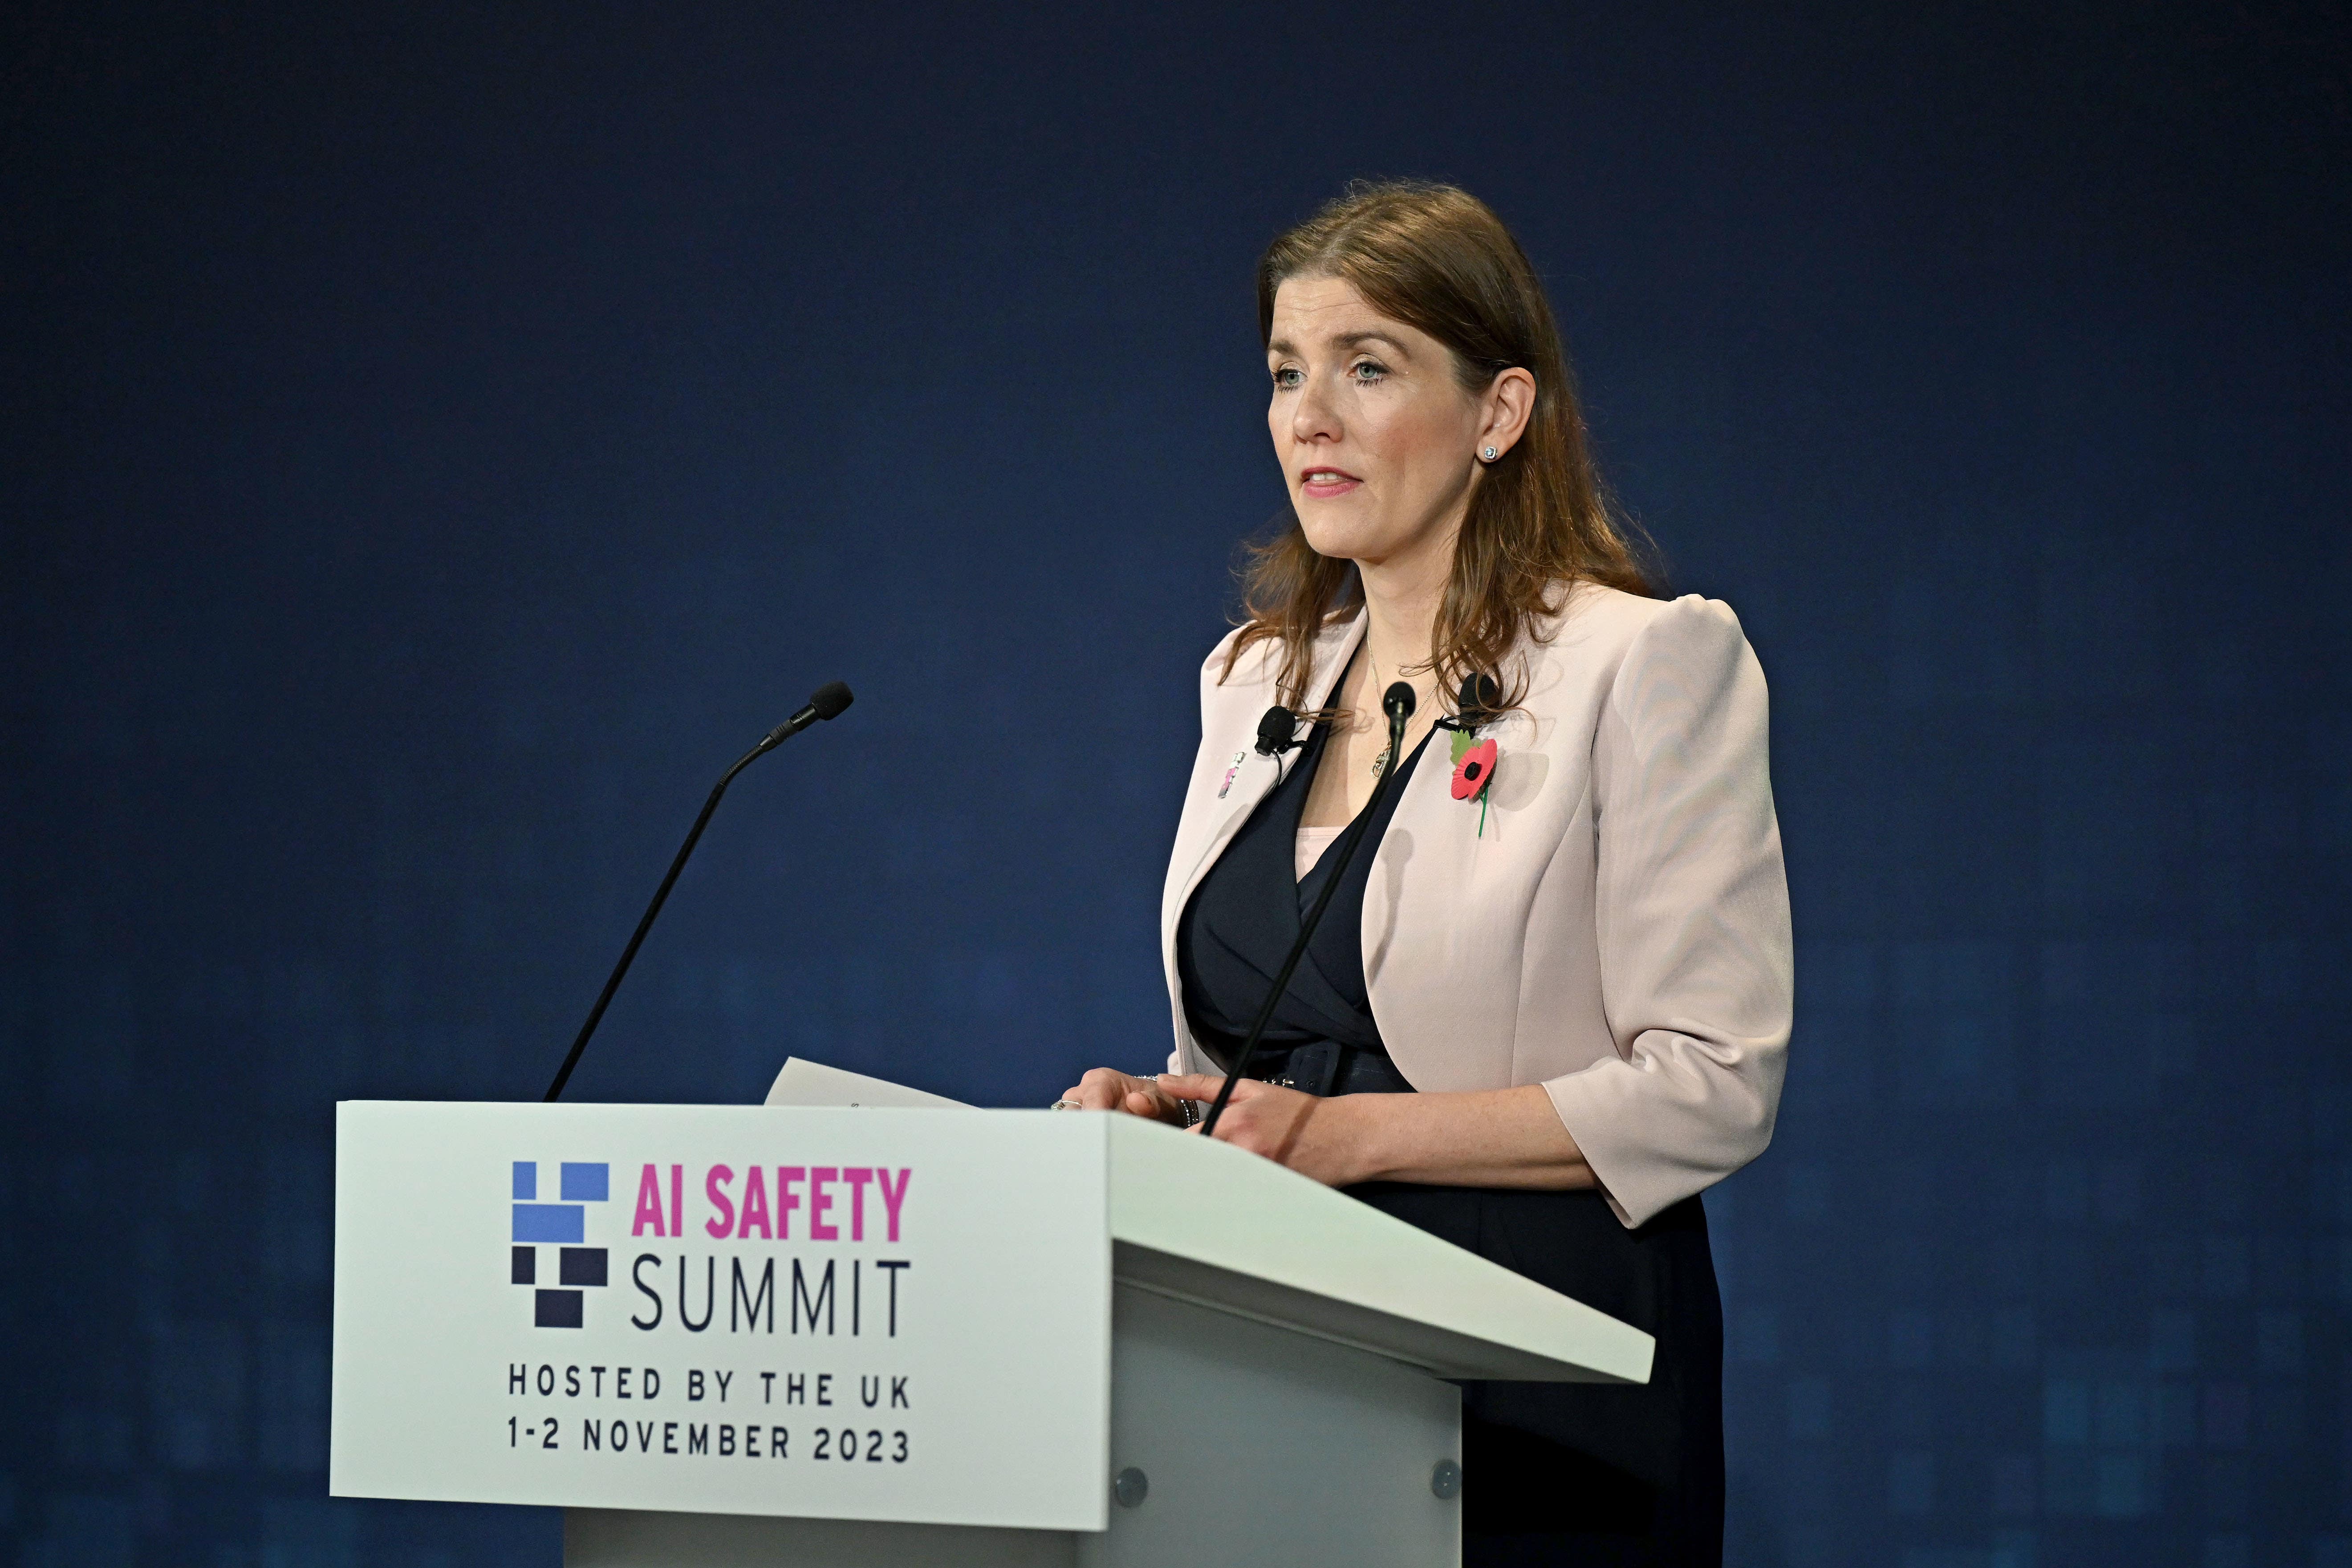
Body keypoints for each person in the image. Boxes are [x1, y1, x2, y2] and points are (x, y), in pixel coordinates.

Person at [1060, 180, 1791, 1566]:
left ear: (1499, 413)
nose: (1307, 416)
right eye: (1284, 373)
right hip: (1270, 1361)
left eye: (1366, 366)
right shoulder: (1247, 680)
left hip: (1539, 1376)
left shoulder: (1642, 664)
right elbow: (1262, 1040)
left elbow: (1712, 1083)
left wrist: (1346, 1139)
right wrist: (1171, 1106)